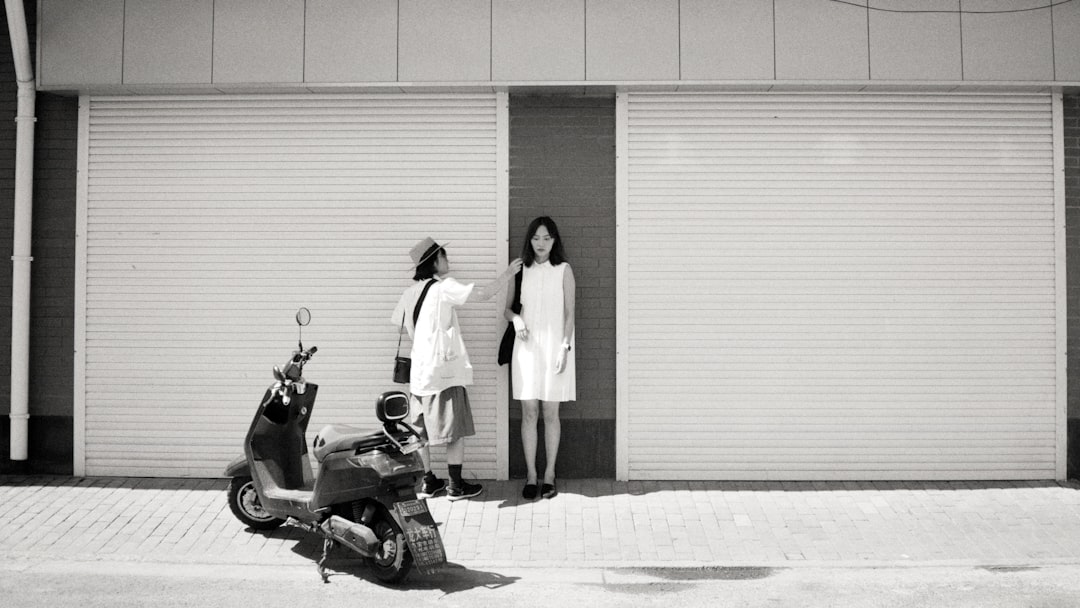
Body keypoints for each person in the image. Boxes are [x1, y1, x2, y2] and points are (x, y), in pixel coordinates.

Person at [392, 237, 522, 501]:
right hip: (443, 372)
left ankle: (428, 482)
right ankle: (455, 486)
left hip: (418, 375)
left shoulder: (409, 293)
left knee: (420, 434)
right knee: (455, 430)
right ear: (435, 262)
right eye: (444, 256)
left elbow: (399, 324)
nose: (448, 261)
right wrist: (509, 273)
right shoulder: (443, 288)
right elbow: (483, 294)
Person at [505, 217, 576, 500]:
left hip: (555, 347)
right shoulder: (520, 269)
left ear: (555, 240)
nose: (541, 243)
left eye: (546, 238)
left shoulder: (564, 270)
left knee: (550, 413)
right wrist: (517, 320)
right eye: (536, 238)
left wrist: (564, 348)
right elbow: (507, 311)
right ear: (529, 240)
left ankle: (549, 474)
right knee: (529, 413)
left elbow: (570, 313)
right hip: (526, 347)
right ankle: (531, 475)